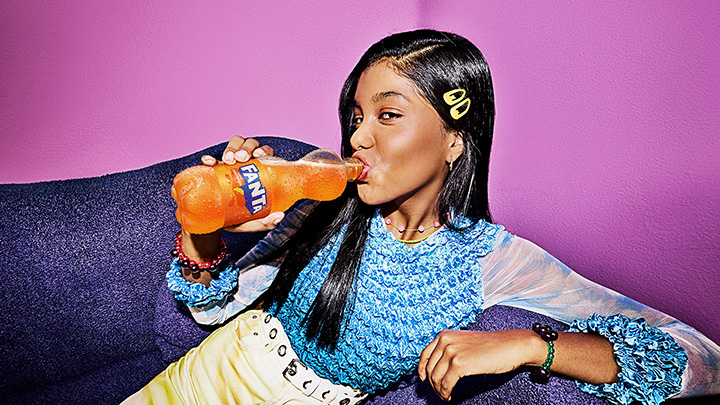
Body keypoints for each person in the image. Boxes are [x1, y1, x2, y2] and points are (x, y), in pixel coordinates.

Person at [124, 29, 720, 404]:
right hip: (184, 384)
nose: (359, 135)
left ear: (454, 141)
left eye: (388, 115)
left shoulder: (495, 260)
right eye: (356, 114)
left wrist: (532, 346)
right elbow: (206, 307)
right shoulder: (321, 187)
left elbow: (702, 357)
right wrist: (207, 226)